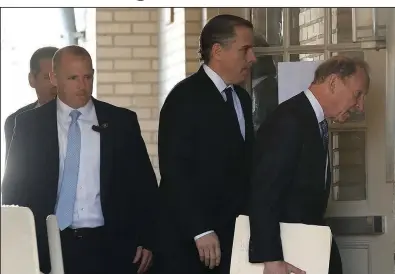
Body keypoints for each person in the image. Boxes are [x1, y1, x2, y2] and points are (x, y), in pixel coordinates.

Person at [1, 45, 158, 274]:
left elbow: (144, 186)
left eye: (87, 77)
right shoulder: (29, 125)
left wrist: (148, 238)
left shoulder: (120, 122)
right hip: (50, 245)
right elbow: (14, 189)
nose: (82, 85)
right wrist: (17, 243)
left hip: (110, 245)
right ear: (54, 78)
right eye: (73, 77)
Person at [153, 14, 256, 274]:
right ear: (218, 51)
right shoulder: (184, 97)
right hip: (192, 244)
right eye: (245, 50)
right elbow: (175, 171)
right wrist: (200, 229)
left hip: (233, 238)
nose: (252, 58)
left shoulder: (241, 98)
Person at [248, 56, 370, 274]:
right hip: (288, 249)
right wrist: (271, 259)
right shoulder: (290, 120)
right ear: (333, 83)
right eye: (358, 94)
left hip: (308, 242)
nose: (360, 106)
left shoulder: (313, 120)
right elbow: (264, 193)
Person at [4, 46, 58, 158]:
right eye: (47, 77)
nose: (55, 84)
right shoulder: (16, 121)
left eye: (59, 77)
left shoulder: (85, 116)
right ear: (32, 79)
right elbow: (14, 173)